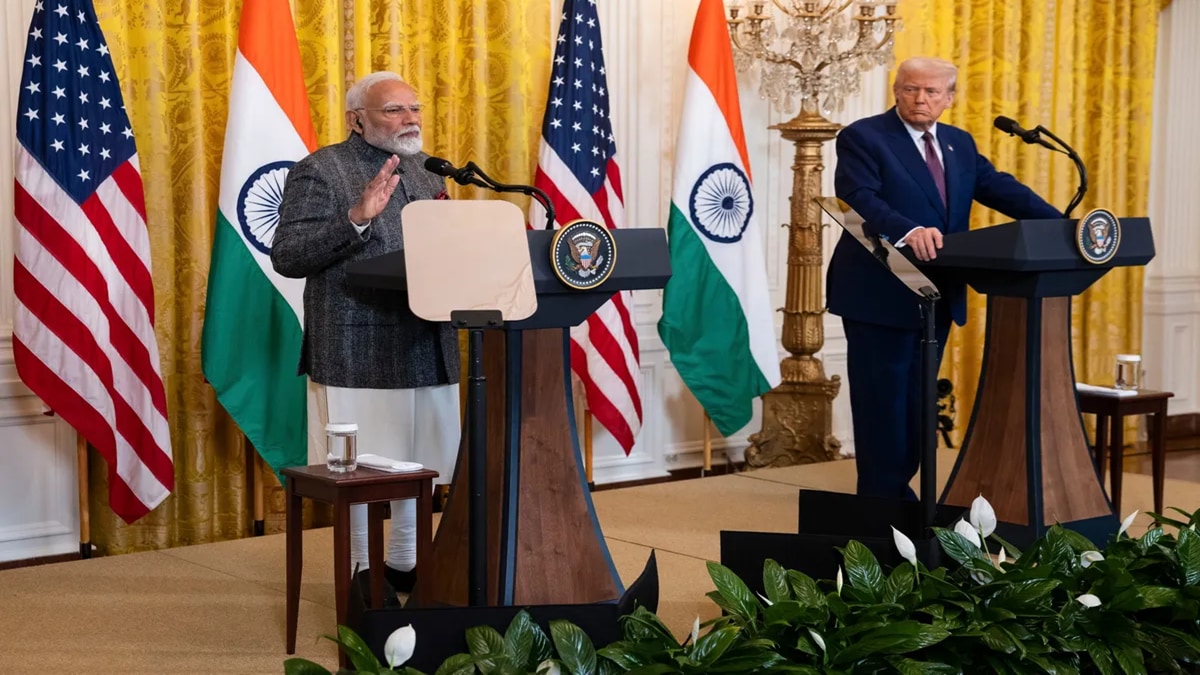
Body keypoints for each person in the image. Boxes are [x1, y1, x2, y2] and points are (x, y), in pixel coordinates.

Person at [826, 56, 1062, 500]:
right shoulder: (864, 137)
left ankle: (903, 493)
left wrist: (1064, 227)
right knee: (883, 402)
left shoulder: (958, 143)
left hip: (936, 293)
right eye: (911, 89)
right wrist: (908, 231)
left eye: (932, 91)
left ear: (949, 98)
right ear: (896, 91)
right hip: (880, 290)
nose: (920, 99)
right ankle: (882, 501)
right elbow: (857, 198)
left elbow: (1000, 188)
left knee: (918, 401)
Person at [271, 72, 461, 600]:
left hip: (427, 342)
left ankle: (405, 563)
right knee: (362, 474)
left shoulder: (427, 168)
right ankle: (358, 571)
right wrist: (355, 218)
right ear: (357, 120)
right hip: (357, 349)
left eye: (414, 108)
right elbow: (288, 256)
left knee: (420, 464)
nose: (410, 120)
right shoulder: (321, 169)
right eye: (394, 110)